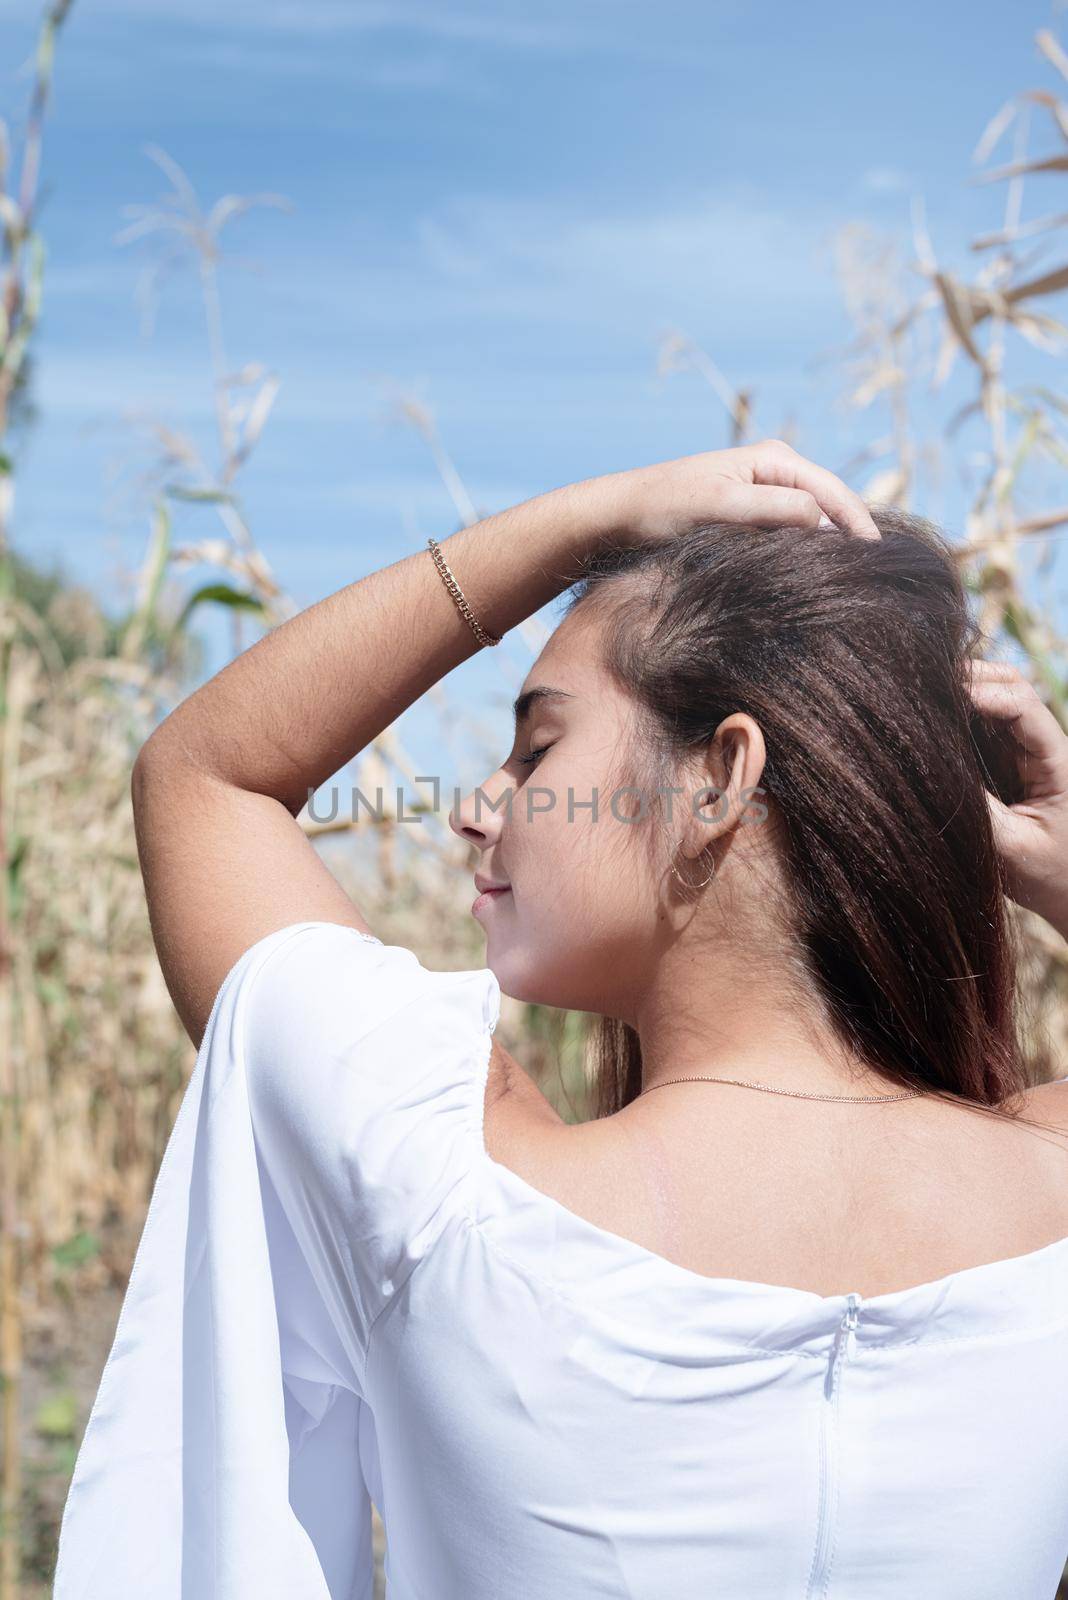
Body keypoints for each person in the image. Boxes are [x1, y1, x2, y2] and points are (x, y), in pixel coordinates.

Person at [54, 440, 1068, 1598]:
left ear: (717, 779)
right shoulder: (1052, 1205)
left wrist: (587, 523)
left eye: (538, 748)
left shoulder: (449, 1198)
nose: (477, 807)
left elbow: (205, 776)